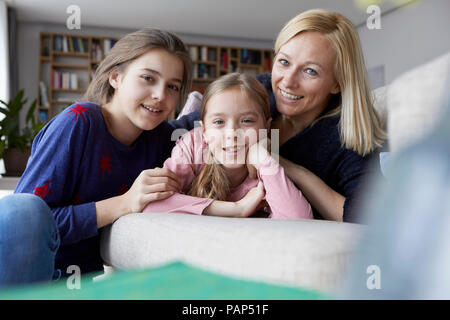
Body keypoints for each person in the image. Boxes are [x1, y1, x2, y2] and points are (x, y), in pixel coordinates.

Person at [0, 28, 198, 286]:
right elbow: (24, 227)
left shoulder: (162, 137)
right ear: (115, 77)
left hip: (79, 284)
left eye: (173, 86)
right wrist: (125, 203)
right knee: (23, 211)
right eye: (148, 78)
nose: (161, 95)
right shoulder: (78, 122)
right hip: (31, 278)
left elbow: (222, 111)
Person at [143, 73, 313, 219]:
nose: (232, 132)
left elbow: (298, 220)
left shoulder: (264, 165)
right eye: (219, 122)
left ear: (266, 127)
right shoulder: (193, 145)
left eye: (247, 121)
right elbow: (152, 204)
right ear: (204, 131)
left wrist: (263, 159)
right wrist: (237, 209)